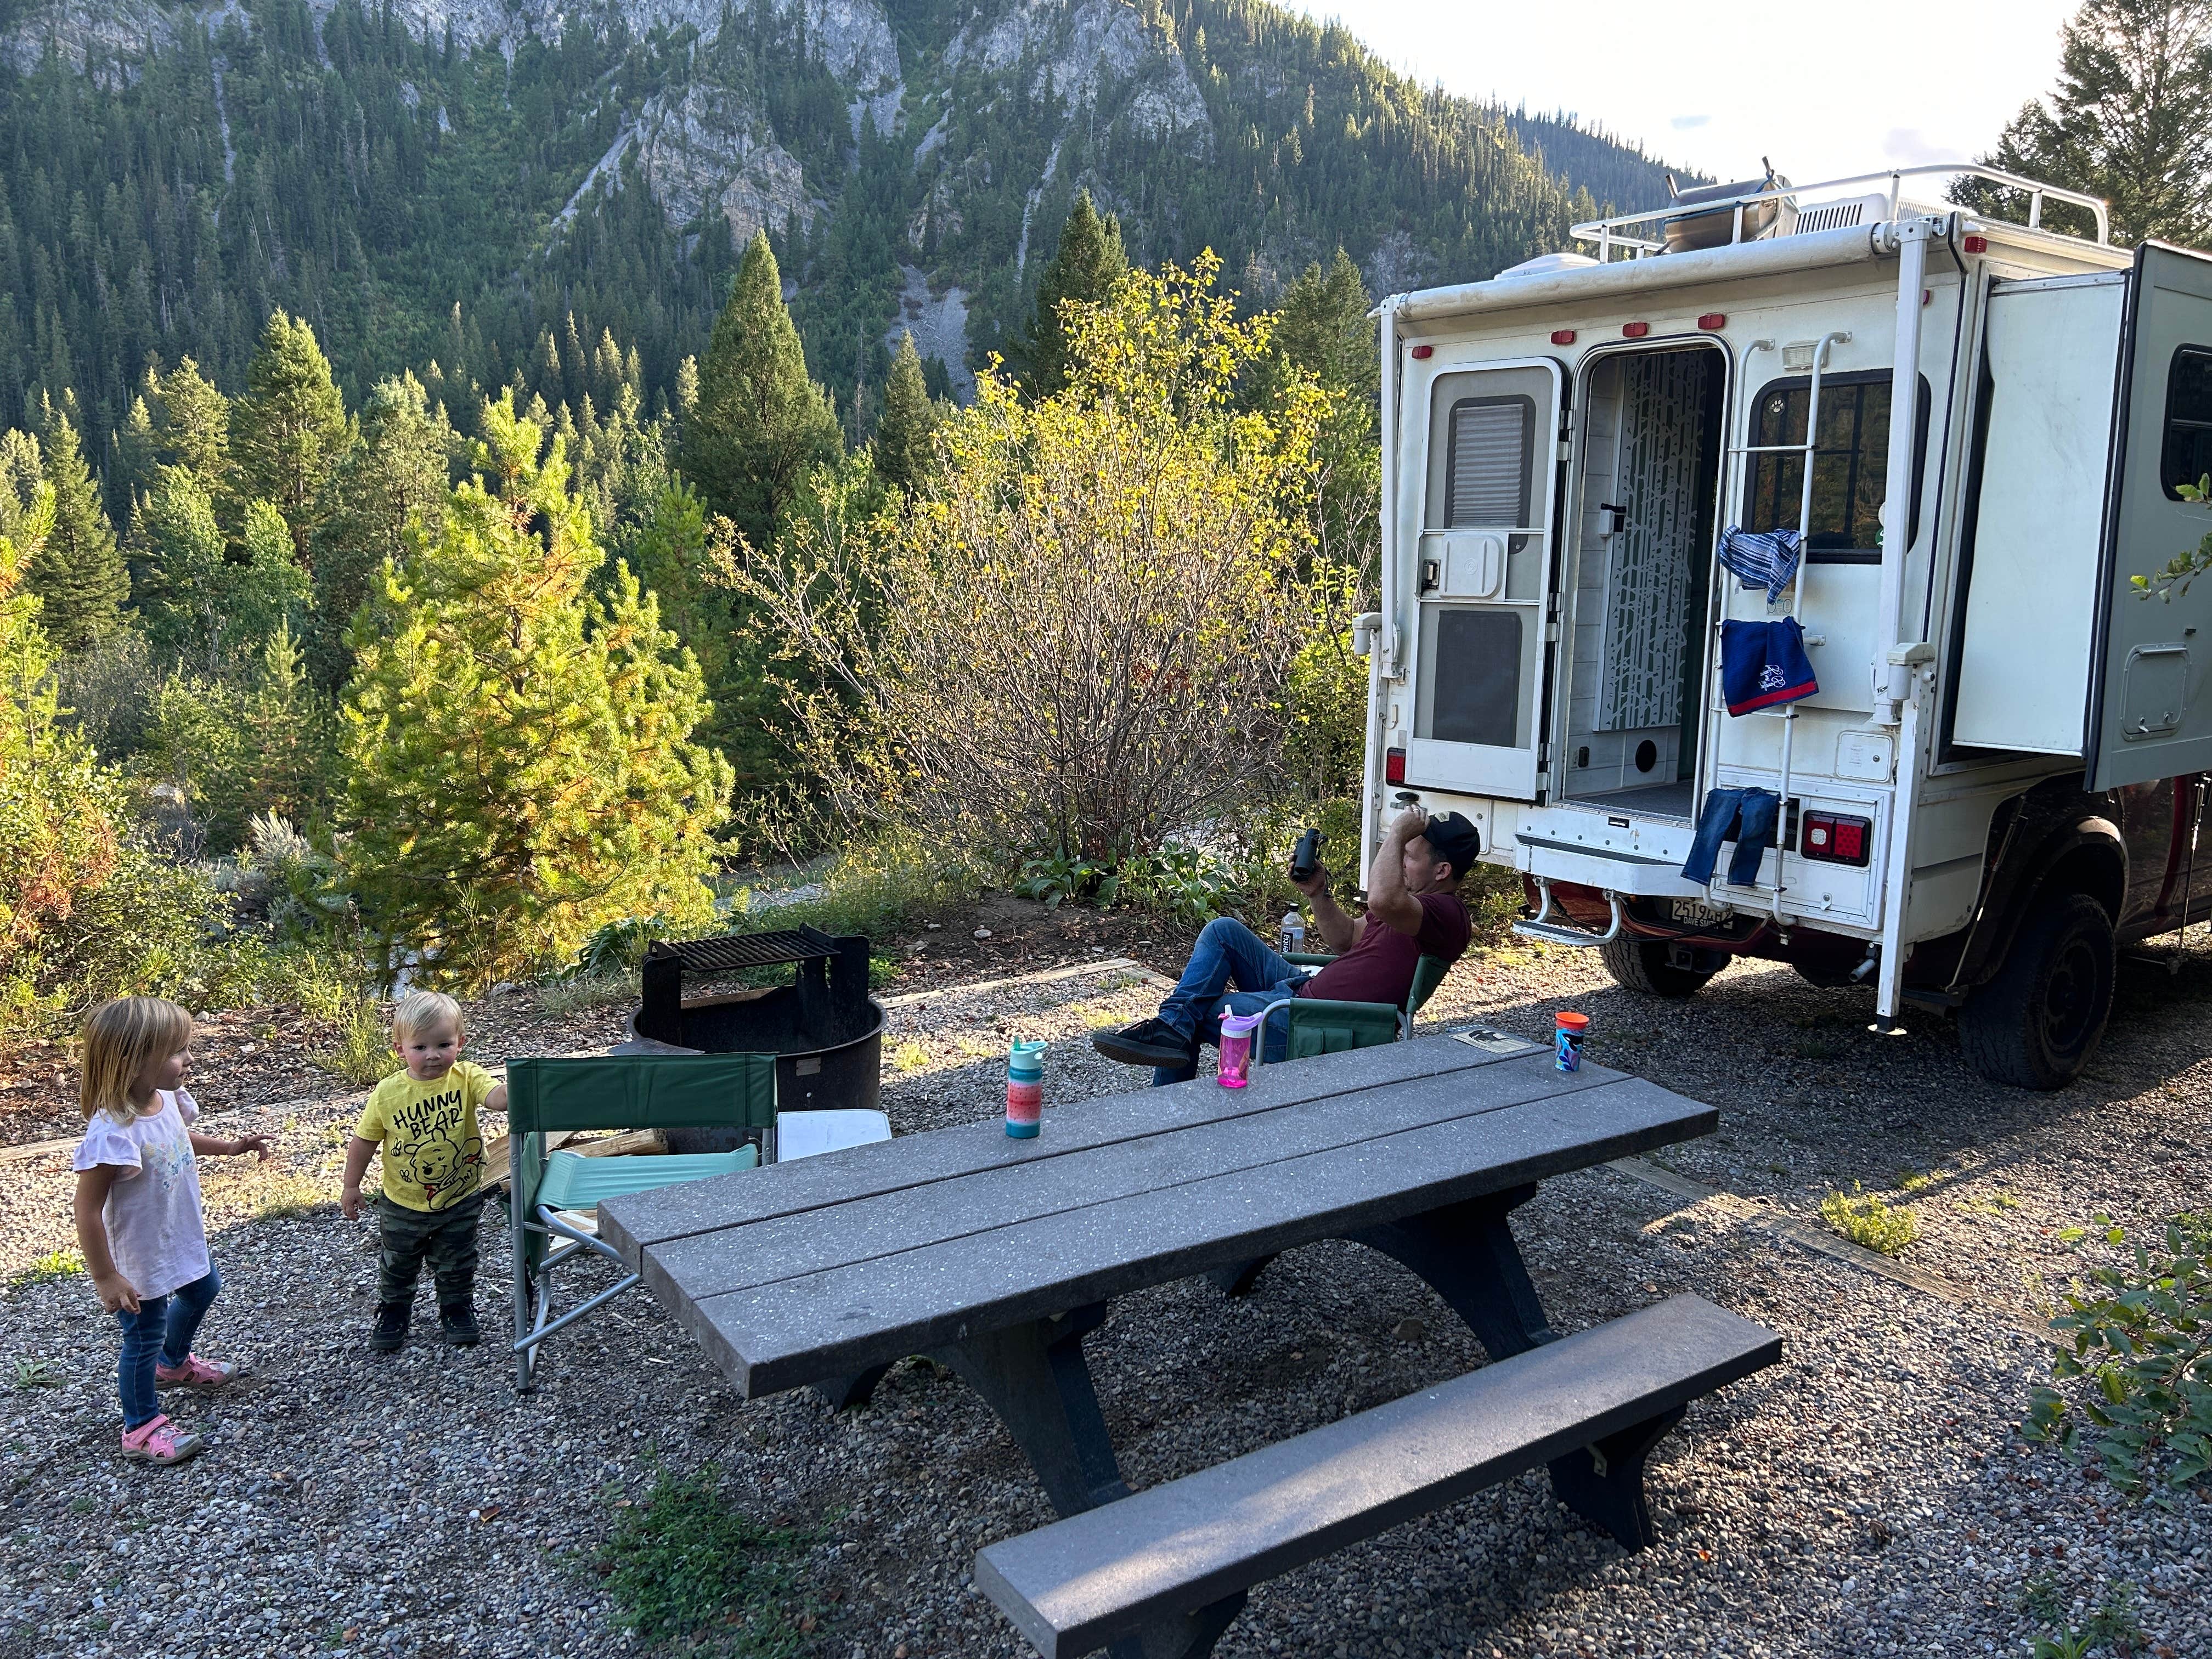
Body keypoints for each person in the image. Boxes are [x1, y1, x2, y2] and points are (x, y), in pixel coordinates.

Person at [1096, 807, 1481, 1083]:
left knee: (1204, 1012)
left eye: (1408, 858)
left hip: (1321, 1024)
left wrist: (1396, 834)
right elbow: (1346, 939)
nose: (1398, 864)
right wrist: (1318, 894)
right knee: (1223, 930)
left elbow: (1382, 899)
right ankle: (1171, 1028)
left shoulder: (1446, 915)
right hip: (1304, 993)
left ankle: (1170, 1115)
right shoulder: (1410, 906)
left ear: (1442, 871)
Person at [71, 996, 272, 1467]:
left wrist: (228, 1148)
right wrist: (106, 1277)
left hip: (177, 1233)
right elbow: (86, 1210)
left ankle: (174, 1363)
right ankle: (140, 1425)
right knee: (142, 1336)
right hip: (138, 1257)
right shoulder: (113, 1131)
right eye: (178, 1051)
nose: (189, 1060)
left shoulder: (165, 1101)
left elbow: (179, 1138)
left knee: (205, 1289)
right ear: (133, 1060)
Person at [341, 990, 506, 1352]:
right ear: (400, 1049)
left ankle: (457, 1309)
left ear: (460, 1043)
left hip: (459, 1197)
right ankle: (394, 1311)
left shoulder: (467, 1077)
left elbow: (496, 1098)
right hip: (403, 1202)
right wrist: (351, 1186)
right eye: (420, 1047)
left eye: (443, 1044)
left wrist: (517, 1088)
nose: (433, 1055)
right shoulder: (388, 1093)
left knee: (458, 1261)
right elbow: (364, 1141)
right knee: (399, 1262)